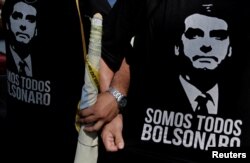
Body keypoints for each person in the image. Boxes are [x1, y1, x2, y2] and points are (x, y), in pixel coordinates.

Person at [83, 0, 250, 162]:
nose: (206, 45)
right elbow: (109, 49)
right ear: (178, 45)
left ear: (230, 49)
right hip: (142, 149)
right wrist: (112, 112)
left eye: (218, 36)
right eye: (195, 34)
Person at [1, 0, 86, 162]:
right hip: (15, 129)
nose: (23, 26)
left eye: (30, 20)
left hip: (58, 137)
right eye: (17, 18)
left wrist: (114, 95)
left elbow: (114, 41)